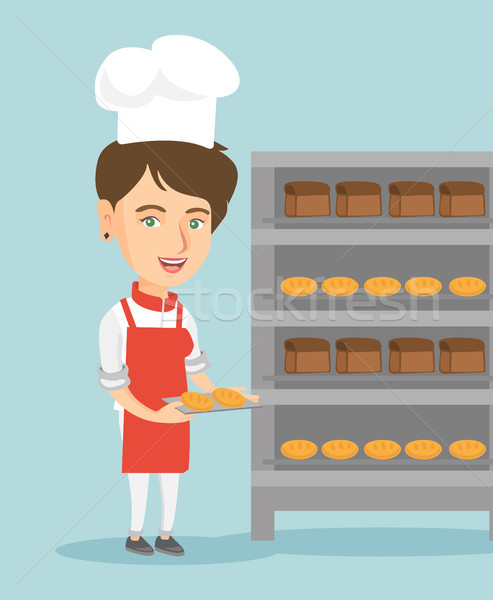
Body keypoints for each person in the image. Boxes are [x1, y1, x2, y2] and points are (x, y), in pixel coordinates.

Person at [94, 36, 257, 557]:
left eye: (197, 219)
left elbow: (193, 363)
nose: (178, 242)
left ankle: (166, 532)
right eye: (149, 218)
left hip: (178, 411)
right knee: (141, 471)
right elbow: (113, 382)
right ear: (107, 221)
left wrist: (219, 394)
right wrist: (152, 413)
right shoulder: (116, 318)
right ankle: (136, 531)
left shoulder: (181, 311)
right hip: (141, 412)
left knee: (174, 472)